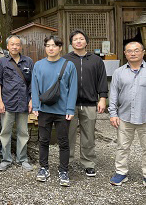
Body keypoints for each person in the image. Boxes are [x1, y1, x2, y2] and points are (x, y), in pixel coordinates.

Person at [32, 35, 77, 187]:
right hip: (44, 109)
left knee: (63, 142)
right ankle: (43, 168)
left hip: (63, 110)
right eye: (48, 45)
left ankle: (63, 170)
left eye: (54, 45)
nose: (51, 48)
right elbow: (35, 86)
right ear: (45, 48)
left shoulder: (68, 65)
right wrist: (36, 106)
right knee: (43, 140)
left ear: (60, 48)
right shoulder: (38, 65)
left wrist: (70, 108)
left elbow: (73, 89)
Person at [64, 29, 108, 177]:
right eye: (75, 39)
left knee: (89, 135)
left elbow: (102, 80)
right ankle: (66, 162)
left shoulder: (96, 60)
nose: (78, 41)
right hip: (69, 104)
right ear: (71, 43)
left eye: (81, 39)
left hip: (89, 102)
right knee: (68, 134)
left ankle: (88, 162)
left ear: (86, 42)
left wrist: (102, 98)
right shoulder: (65, 59)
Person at [109, 40, 146, 187]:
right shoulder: (119, 72)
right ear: (125, 54)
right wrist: (113, 113)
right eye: (129, 51)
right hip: (124, 116)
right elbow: (113, 94)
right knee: (122, 146)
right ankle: (121, 172)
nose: (133, 53)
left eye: (136, 50)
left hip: (145, 116)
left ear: (143, 52)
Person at [0, 35, 34, 171]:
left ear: (21, 46)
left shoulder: (28, 61)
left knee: (23, 132)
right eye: (12, 44)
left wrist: (31, 100)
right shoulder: (1, 62)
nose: (15, 47)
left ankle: (22, 159)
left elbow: (32, 83)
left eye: (17, 44)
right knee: (5, 132)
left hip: (23, 101)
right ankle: (6, 159)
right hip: (7, 102)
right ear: (7, 46)